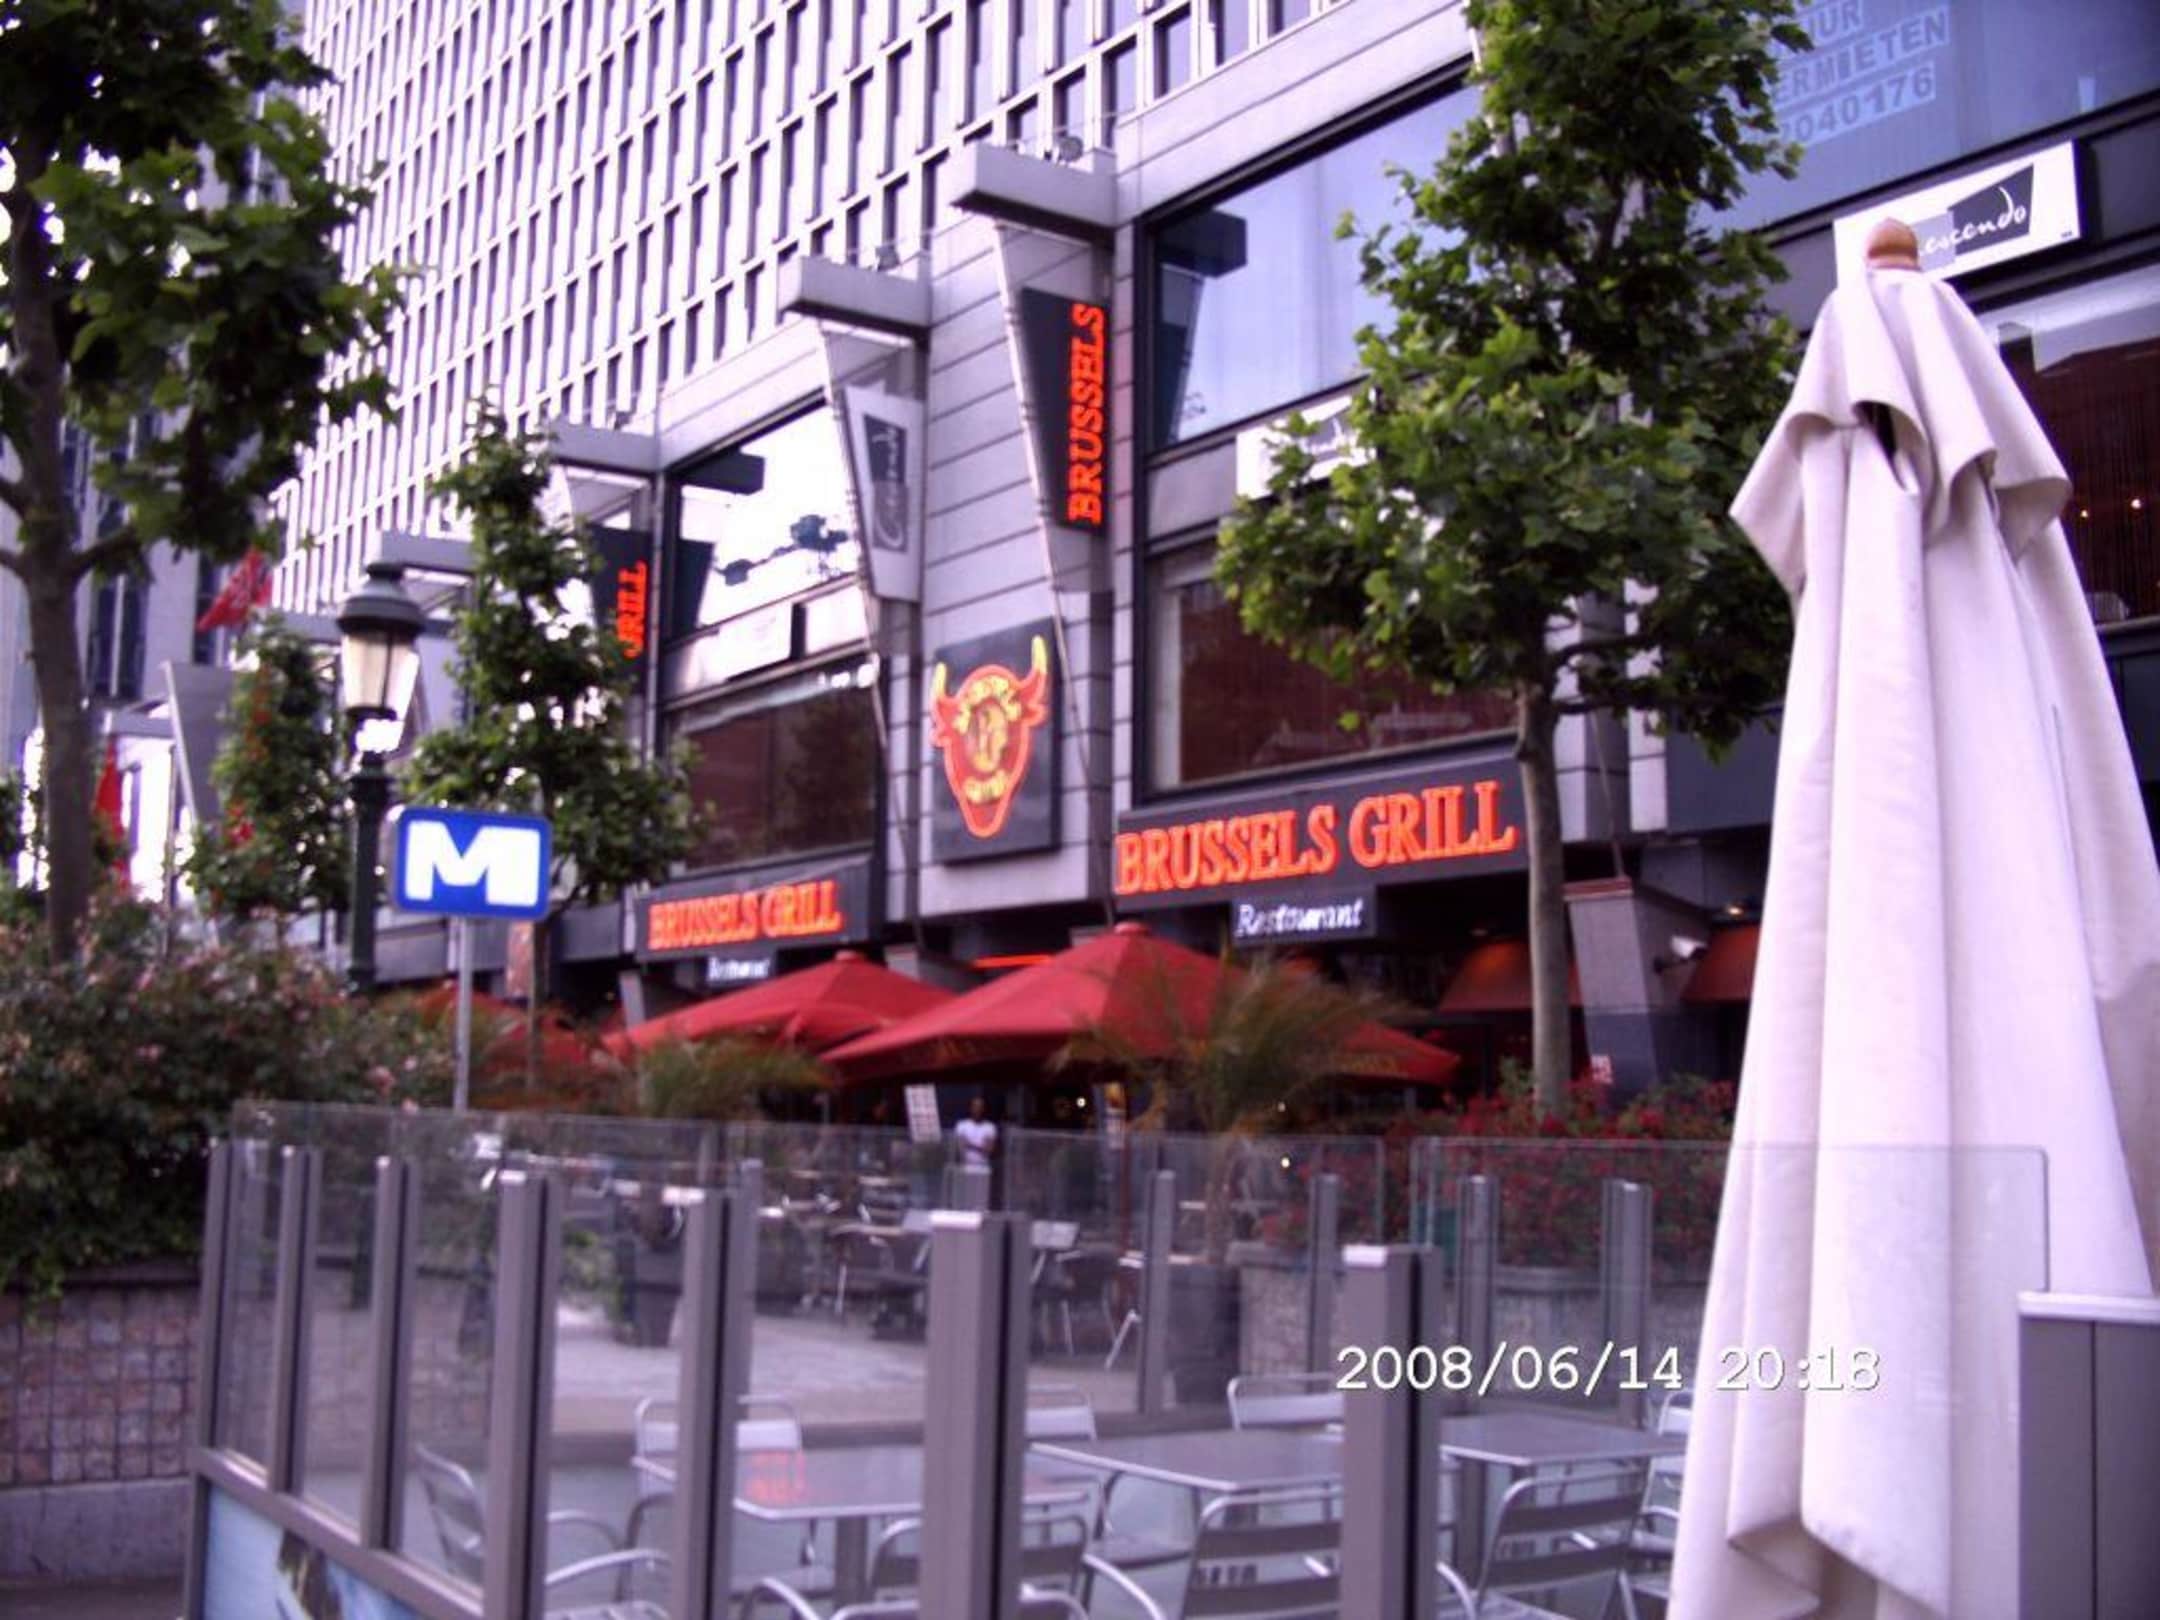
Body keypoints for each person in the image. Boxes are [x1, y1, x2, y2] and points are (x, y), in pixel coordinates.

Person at [954, 1095, 998, 1170]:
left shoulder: (990, 1127)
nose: (978, 1109)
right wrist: (981, 1147)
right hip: (965, 1167)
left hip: (983, 1168)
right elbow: (960, 1147)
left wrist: (969, 1144)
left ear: (984, 1109)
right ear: (970, 1108)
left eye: (980, 1106)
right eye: (975, 1106)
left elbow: (989, 1150)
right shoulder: (961, 1125)